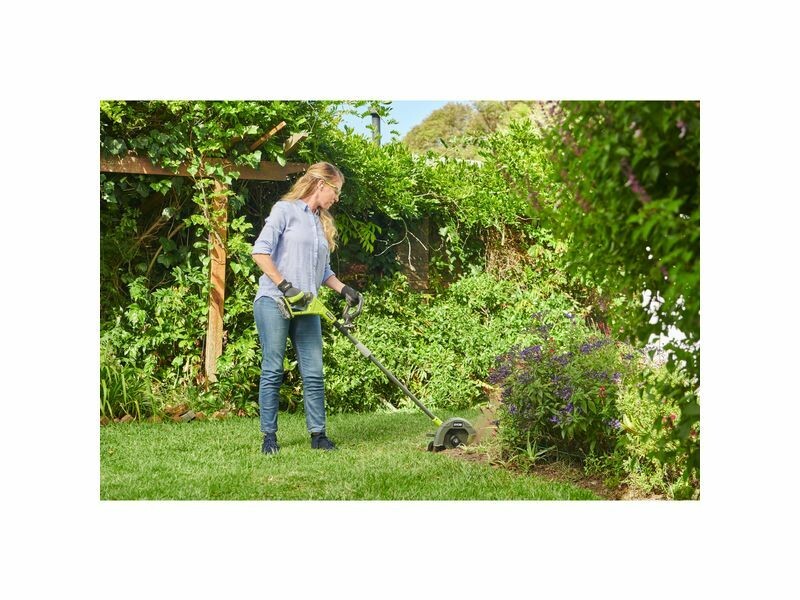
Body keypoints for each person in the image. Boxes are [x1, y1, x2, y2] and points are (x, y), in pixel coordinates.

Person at [251, 161, 362, 455]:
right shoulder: (284, 211)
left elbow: (323, 271)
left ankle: (318, 435)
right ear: (321, 184)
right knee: (273, 368)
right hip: (274, 301)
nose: (337, 198)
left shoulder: (320, 223)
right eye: (336, 191)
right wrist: (284, 285)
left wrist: (345, 290)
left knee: (313, 372)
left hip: (307, 305)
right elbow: (260, 252)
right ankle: (269, 437)